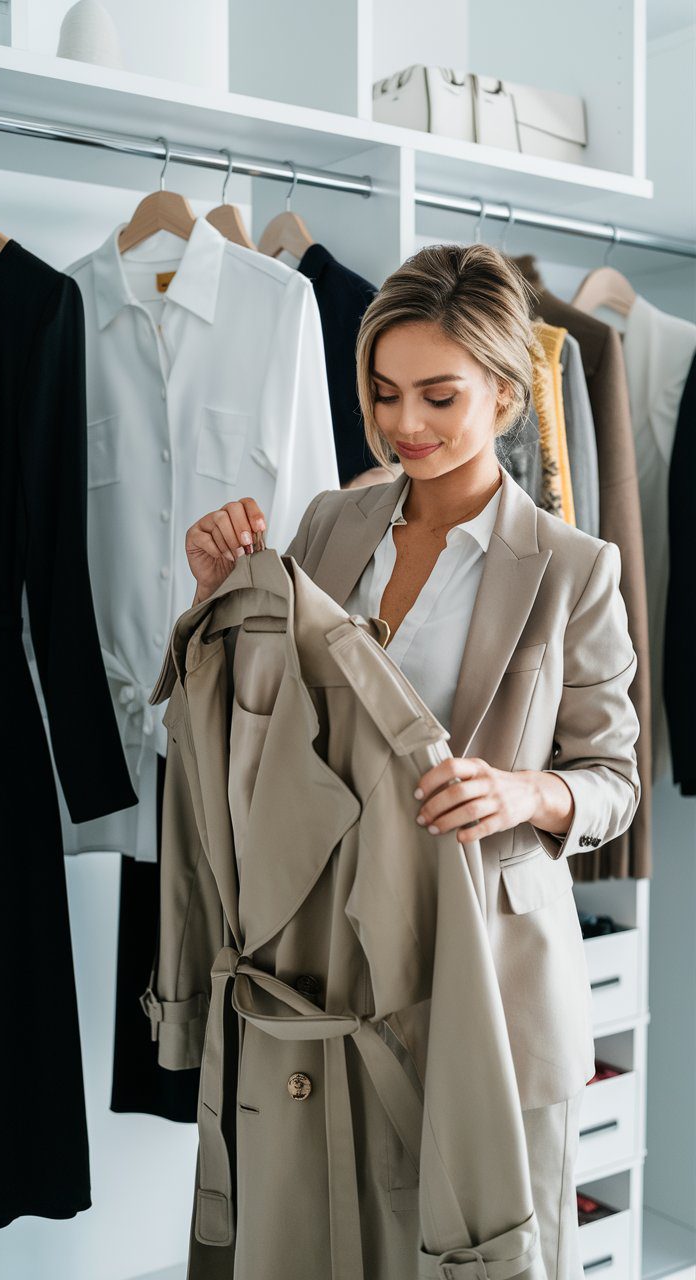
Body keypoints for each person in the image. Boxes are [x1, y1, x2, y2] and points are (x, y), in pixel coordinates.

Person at [184, 242, 641, 1280]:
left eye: (439, 394)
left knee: (474, 1244)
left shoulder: (575, 569)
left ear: (508, 394)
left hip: (492, 960)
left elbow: (614, 775)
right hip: (337, 936)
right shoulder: (331, 524)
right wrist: (214, 591)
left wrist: (525, 788)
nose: (404, 425)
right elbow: (272, 708)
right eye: (384, 392)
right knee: (335, 1227)